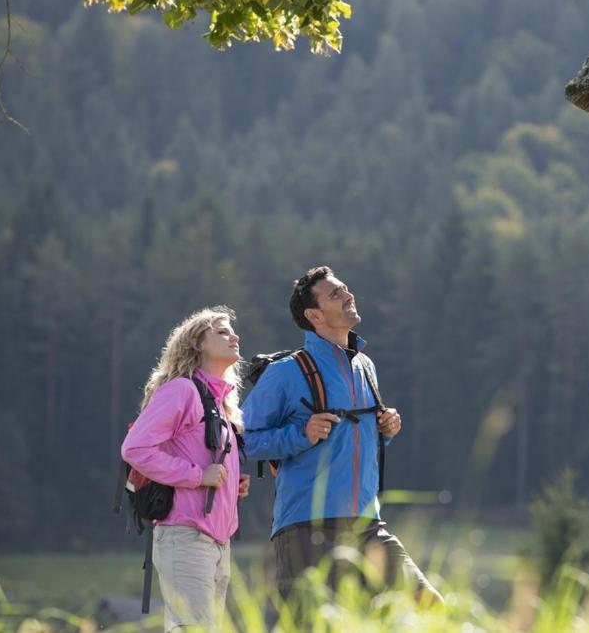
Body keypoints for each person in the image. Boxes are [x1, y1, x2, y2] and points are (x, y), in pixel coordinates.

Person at [241, 266, 441, 606]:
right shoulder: (286, 372)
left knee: (430, 607)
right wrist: (300, 434)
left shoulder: (365, 366)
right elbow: (241, 439)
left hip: (367, 525)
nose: (348, 295)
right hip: (306, 527)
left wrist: (384, 430)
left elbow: (355, 438)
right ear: (314, 315)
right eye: (335, 294)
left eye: (345, 288)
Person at [121, 306, 250, 632]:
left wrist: (232, 484)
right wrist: (196, 476)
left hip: (217, 543)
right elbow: (135, 448)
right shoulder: (182, 391)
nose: (234, 336)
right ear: (197, 344)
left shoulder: (220, 404)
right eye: (222, 332)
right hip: (186, 536)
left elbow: (204, 461)